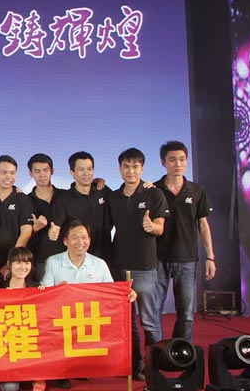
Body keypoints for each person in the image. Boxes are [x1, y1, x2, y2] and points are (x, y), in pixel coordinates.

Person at [40, 220, 138, 389]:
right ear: (65, 241)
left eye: (84, 237)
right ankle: (62, 372)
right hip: (62, 320)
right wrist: (57, 290)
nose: (80, 242)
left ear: (90, 240)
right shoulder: (53, 262)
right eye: (75, 237)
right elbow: (43, 294)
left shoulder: (99, 264)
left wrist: (127, 293)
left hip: (89, 319)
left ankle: (85, 366)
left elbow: (112, 293)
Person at [107, 148, 169, 381]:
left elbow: (160, 228)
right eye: (126, 166)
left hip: (144, 267)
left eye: (135, 166)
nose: (131, 171)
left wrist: (152, 227)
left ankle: (155, 368)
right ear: (120, 168)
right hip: (119, 266)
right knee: (127, 321)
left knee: (150, 321)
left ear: (142, 168)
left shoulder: (154, 194)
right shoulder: (113, 196)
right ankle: (136, 366)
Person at [155, 141, 216, 342]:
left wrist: (210, 257)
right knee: (154, 312)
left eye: (182, 159)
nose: (178, 164)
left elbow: (203, 225)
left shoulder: (197, 190)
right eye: (172, 160)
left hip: (187, 259)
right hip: (158, 259)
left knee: (187, 315)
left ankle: (181, 352)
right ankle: (155, 353)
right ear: (163, 162)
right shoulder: (154, 190)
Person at [48, 152, 115, 275]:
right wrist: (53, 232)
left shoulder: (103, 191)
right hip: (76, 263)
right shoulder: (64, 199)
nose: (86, 173)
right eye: (81, 170)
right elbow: (55, 226)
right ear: (72, 172)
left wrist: (148, 186)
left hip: (105, 260)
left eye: (89, 169)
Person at [0, 247, 44, 391]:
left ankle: (38, 375)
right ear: (9, 264)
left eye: (27, 263)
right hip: (8, 345)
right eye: (18, 262)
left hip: (30, 342)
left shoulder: (37, 288)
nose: (23, 267)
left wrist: (58, 290)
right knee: (10, 388)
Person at [26, 154, 64, 283]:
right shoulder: (26, 201)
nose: (42, 175)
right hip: (40, 260)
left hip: (66, 259)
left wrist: (97, 182)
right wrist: (34, 229)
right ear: (31, 173)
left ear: (52, 171)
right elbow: (19, 234)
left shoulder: (64, 195)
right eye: (37, 171)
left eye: (45, 170)